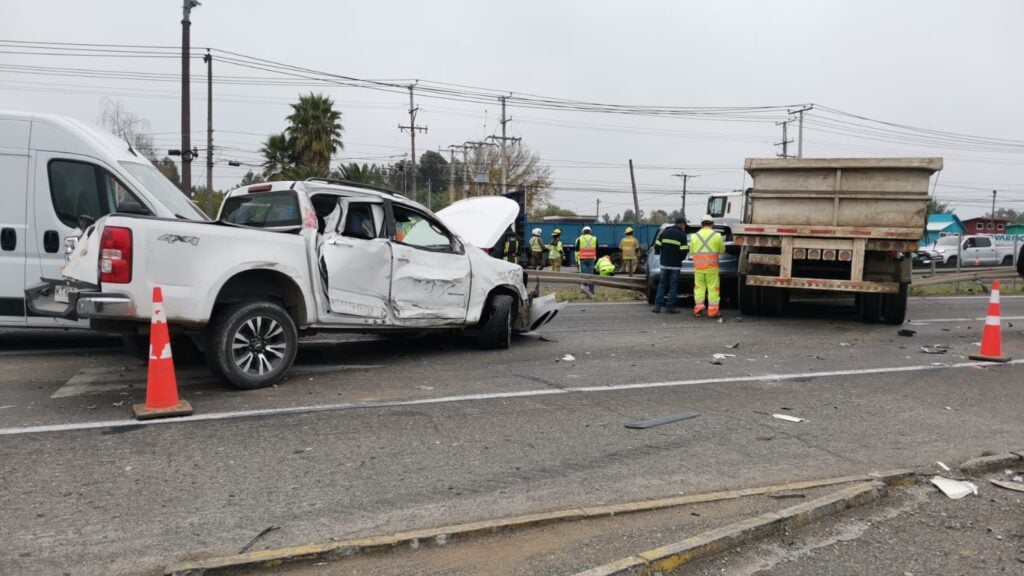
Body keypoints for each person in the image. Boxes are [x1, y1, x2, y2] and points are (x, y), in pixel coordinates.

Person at [689, 214, 726, 318]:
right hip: (712, 268)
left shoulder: (694, 236)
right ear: (712, 224)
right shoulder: (717, 236)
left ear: (701, 225)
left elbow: (691, 251)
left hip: (698, 268)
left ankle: (699, 309)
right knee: (713, 289)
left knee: (699, 288)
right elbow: (722, 250)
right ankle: (713, 312)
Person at [652, 217, 687, 314]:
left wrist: (662, 256)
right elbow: (684, 251)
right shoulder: (682, 235)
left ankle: (657, 307)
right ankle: (670, 307)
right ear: (682, 224)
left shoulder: (665, 232)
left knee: (662, 285)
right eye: (684, 226)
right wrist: (679, 259)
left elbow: (657, 246)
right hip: (675, 265)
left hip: (664, 264)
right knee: (673, 286)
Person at [575, 225, 598, 294]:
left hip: (583, 258)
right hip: (591, 258)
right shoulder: (594, 238)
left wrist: (577, 258)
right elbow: (597, 248)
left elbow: (576, 249)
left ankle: (584, 289)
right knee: (591, 274)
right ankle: (592, 290)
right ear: (590, 232)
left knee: (584, 274)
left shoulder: (580, 239)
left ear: (583, 232)